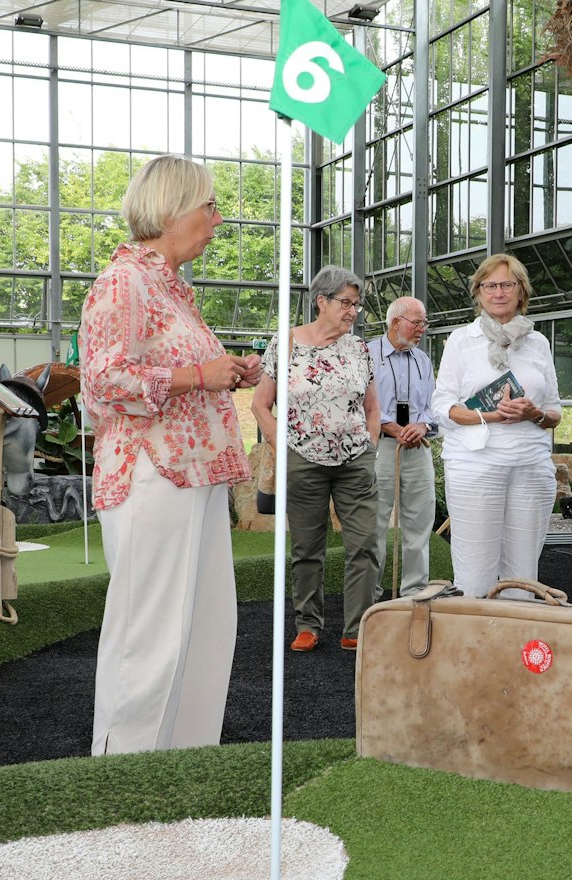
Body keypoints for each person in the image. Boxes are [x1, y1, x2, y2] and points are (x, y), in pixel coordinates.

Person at [80, 154, 263, 755]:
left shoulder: (172, 290)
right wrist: (197, 374)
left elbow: (176, 371)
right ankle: (125, 778)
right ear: (170, 209)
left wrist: (224, 372)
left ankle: (184, 767)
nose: (216, 220)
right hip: (151, 478)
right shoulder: (123, 281)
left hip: (196, 479)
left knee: (207, 631)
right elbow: (103, 382)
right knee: (150, 638)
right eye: (209, 207)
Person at [252, 265, 382, 651]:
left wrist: (369, 449)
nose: (352, 312)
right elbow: (261, 406)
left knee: (364, 545)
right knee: (307, 548)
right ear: (321, 301)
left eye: (357, 305)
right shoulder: (286, 343)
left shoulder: (359, 348)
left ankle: (357, 628)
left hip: (355, 461)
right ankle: (308, 624)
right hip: (303, 460)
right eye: (346, 303)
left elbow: (373, 408)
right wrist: (284, 449)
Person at [430, 254, 562, 597]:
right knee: (475, 571)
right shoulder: (462, 340)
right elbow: (442, 406)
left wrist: (532, 413)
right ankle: (474, 646)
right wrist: (491, 416)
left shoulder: (538, 343)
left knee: (523, 574)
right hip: (475, 465)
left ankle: (513, 645)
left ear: (521, 291)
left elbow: (554, 412)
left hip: (531, 466)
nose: (498, 292)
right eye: (489, 285)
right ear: (479, 293)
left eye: (507, 284)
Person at [369, 296, 438, 598]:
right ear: (395, 322)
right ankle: (369, 594)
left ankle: (414, 595)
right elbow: (359, 401)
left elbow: (435, 406)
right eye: (417, 322)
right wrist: (390, 425)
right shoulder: (367, 354)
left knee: (419, 523)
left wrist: (422, 425)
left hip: (417, 446)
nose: (422, 328)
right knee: (373, 522)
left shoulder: (423, 360)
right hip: (380, 447)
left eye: (424, 322)